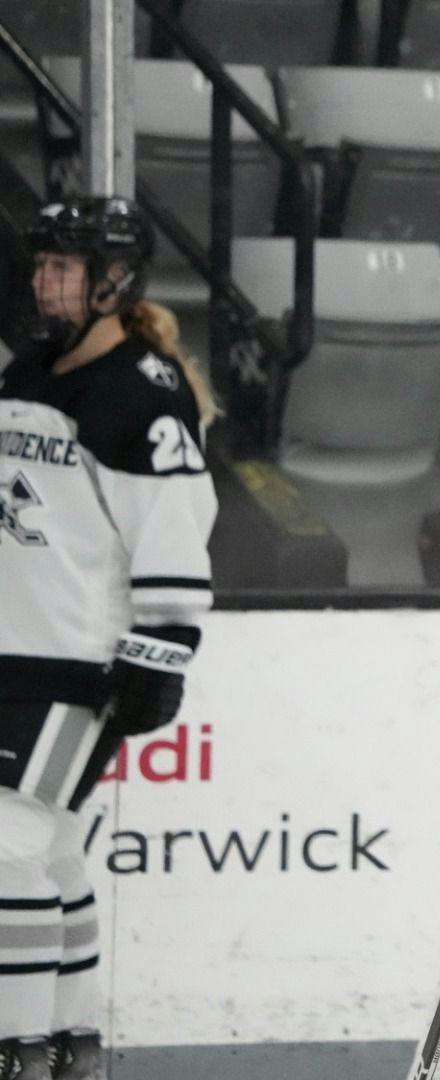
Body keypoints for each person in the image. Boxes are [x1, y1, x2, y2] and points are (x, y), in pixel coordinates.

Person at [0, 196, 219, 1080]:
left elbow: (172, 532)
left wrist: (160, 654)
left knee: (7, 844)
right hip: (14, 654)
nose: (45, 281)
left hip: (76, 666)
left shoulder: (143, 394)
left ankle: (14, 1044)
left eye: (65, 267)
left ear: (114, 281)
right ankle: (71, 1040)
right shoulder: (24, 377)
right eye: (43, 263)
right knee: (47, 849)